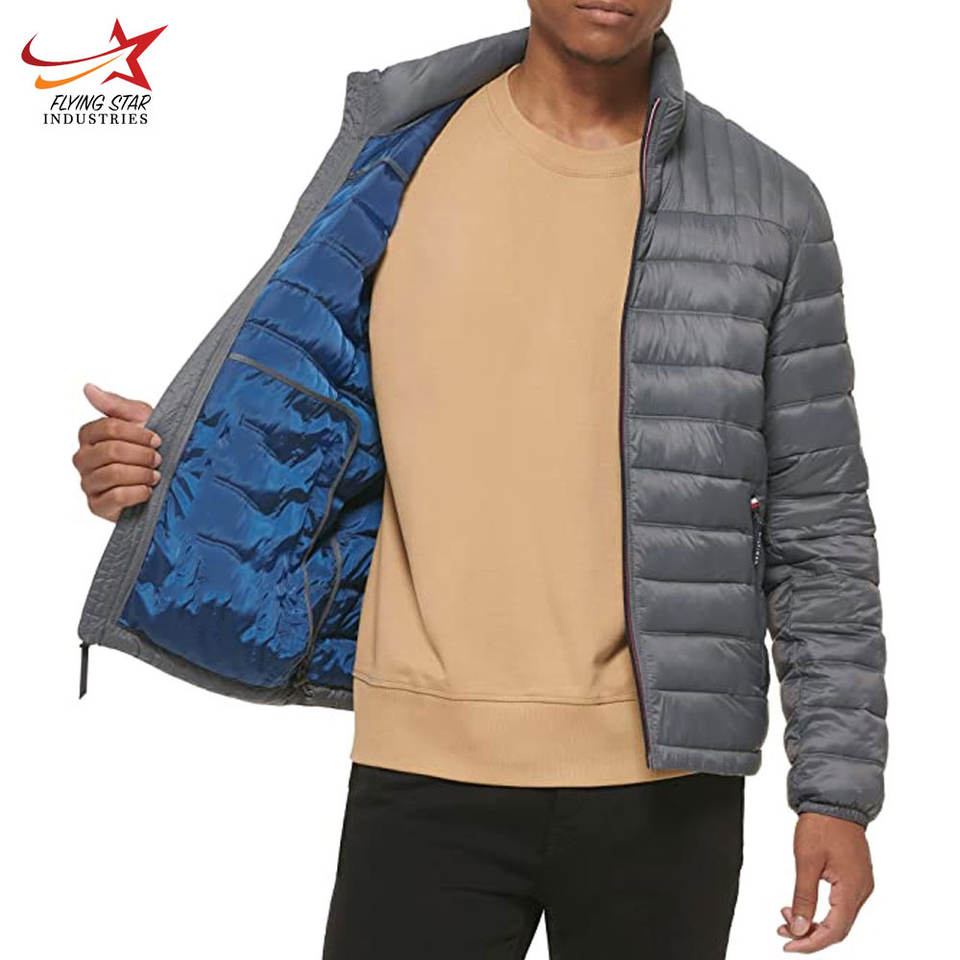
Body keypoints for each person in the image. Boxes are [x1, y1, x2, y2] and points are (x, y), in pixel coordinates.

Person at [72, 2, 886, 956]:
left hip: (668, 787)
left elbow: (818, 521)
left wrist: (836, 794)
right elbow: (302, 419)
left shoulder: (773, 210)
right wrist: (164, 471)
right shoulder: (396, 162)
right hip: (422, 768)